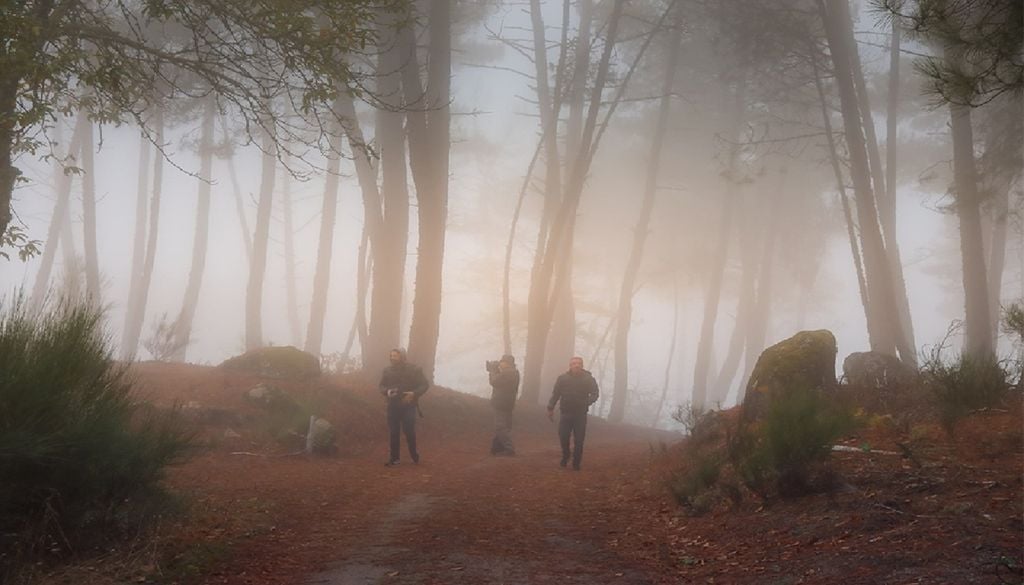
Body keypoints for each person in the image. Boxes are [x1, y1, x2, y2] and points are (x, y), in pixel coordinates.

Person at [546, 356, 600, 470]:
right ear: (570, 366)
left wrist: (586, 402)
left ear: (582, 365)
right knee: (563, 437)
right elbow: (555, 394)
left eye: (579, 363)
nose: (577, 365)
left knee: (579, 440)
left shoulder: (588, 379)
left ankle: (576, 462)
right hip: (566, 412)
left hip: (580, 414)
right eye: (574, 363)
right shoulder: (562, 378)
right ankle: (566, 455)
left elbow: (595, 393)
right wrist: (550, 408)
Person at [379, 348, 430, 466]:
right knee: (394, 432)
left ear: (402, 356)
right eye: (391, 356)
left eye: (395, 356)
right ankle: (394, 459)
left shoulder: (414, 369)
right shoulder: (387, 371)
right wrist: (386, 391)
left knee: (409, 431)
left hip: (408, 405)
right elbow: (381, 385)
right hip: (392, 405)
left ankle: (414, 454)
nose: (392, 358)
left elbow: (424, 384)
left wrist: (414, 393)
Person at [488, 354, 520, 456]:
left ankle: (509, 449)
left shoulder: (508, 372)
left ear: (507, 363)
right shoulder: (513, 372)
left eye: (502, 361)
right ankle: (497, 448)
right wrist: (496, 370)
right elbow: (501, 382)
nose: (500, 363)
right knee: (505, 426)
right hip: (507, 403)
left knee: (500, 427)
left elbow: (494, 381)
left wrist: (492, 370)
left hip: (501, 403)